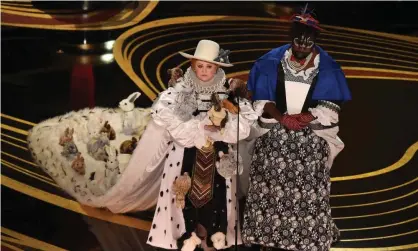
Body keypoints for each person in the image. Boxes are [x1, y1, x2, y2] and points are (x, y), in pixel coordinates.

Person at [241, 7, 352, 251]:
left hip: (310, 129)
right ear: (291, 39)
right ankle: (266, 236)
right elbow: (262, 100)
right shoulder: (271, 61)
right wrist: (283, 119)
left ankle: (306, 237)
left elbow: (330, 106)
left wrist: (303, 118)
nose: (302, 46)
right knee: (268, 163)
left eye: (307, 42)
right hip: (275, 125)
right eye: (298, 41)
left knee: (311, 166)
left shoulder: (328, 66)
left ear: (315, 40)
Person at [146, 39, 258, 251]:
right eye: (200, 66)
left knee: (218, 192)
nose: (204, 71)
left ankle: (217, 231)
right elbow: (171, 117)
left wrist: (221, 129)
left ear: (217, 67)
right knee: (184, 189)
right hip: (187, 148)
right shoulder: (182, 89)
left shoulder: (225, 91)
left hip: (217, 149)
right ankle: (187, 233)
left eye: (209, 66)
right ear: (193, 65)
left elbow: (238, 125)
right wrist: (199, 127)